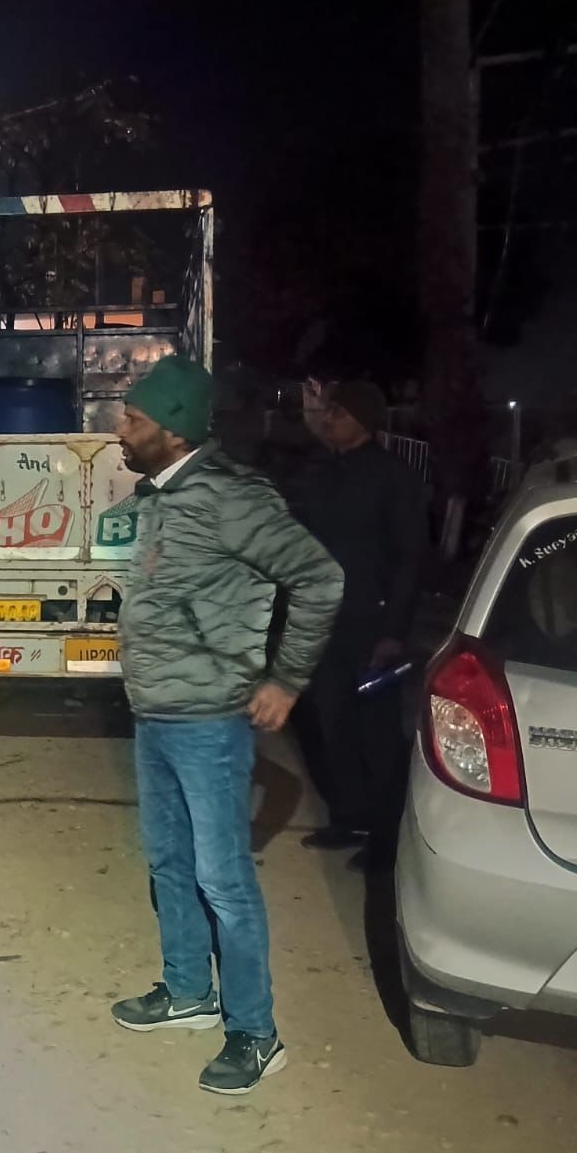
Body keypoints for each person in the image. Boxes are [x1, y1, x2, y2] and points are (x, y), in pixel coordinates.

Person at [110, 354, 343, 1095]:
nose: (121, 429)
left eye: (134, 419)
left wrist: (287, 680)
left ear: (174, 430)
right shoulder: (161, 495)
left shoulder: (232, 498)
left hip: (210, 720)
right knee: (168, 863)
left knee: (223, 881)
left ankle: (254, 1032)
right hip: (155, 713)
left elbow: (320, 578)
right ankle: (188, 991)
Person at [291, 378, 426, 873]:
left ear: (365, 421)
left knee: (378, 736)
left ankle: (386, 839)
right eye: (329, 412)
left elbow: (410, 557)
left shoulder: (392, 477)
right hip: (326, 619)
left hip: (372, 625)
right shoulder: (324, 471)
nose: (329, 420)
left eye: (340, 413)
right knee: (333, 724)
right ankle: (349, 818)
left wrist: (394, 631)